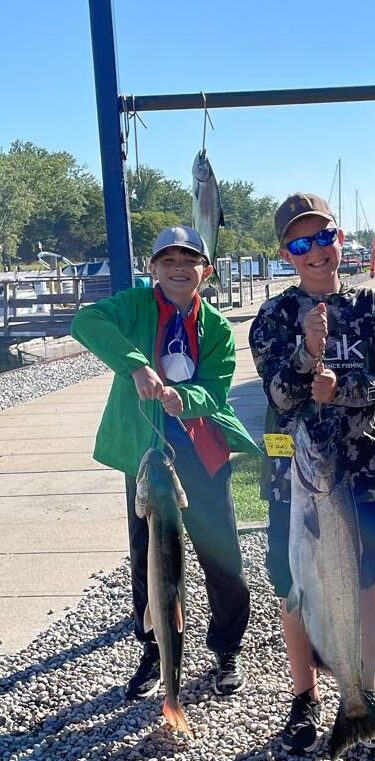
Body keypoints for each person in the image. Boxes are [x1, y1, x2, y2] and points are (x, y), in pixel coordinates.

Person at [71, 226, 259, 701]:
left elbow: (215, 388)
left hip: (201, 453)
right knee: (147, 559)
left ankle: (226, 649)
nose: (179, 268)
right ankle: (154, 649)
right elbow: (87, 324)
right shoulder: (133, 305)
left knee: (222, 558)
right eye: (168, 260)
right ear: (153, 268)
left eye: (189, 260)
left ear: (206, 270)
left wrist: (184, 398)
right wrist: (136, 363)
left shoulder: (215, 325)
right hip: (145, 456)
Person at [249, 192, 375, 754]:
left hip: (358, 471)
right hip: (292, 475)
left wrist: (347, 389)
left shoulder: (371, 306)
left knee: (361, 580)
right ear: (286, 253)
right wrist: (304, 352)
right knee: (296, 584)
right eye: (300, 243)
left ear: (340, 239)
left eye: (323, 237)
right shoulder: (272, 317)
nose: (315, 251)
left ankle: (361, 693)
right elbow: (278, 395)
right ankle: (304, 698)